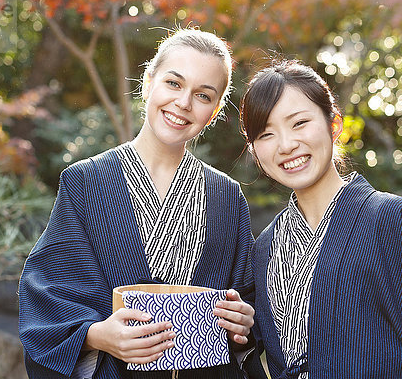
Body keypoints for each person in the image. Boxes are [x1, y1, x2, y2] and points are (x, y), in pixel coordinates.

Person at [18, 28, 256, 379]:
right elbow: (48, 295)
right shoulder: (85, 181)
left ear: (214, 111)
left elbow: (247, 308)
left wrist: (244, 320)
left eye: (203, 95)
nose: (184, 103)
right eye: (174, 83)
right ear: (148, 83)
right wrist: (98, 335)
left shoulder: (227, 196)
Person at [238, 58, 402, 379]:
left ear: (334, 126)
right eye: (266, 134)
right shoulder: (265, 248)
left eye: (299, 123)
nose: (287, 145)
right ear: (254, 150)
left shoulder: (392, 219)